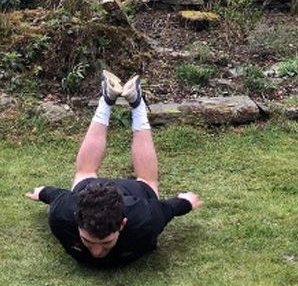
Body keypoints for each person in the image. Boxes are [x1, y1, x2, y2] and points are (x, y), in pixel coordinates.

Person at [26, 71, 202, 267]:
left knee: (141, 180)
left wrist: (186, 202)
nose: (96, 252)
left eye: (106, 242)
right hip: (91, 191)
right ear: (76, 219)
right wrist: (41, 192)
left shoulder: (144, 219)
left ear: (123, 223)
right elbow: (54, 195)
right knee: (92, 175)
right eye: (88, 241)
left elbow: (169, 208)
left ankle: (131, 103)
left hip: (130, 194)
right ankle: (116, 100)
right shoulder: (62, 215)